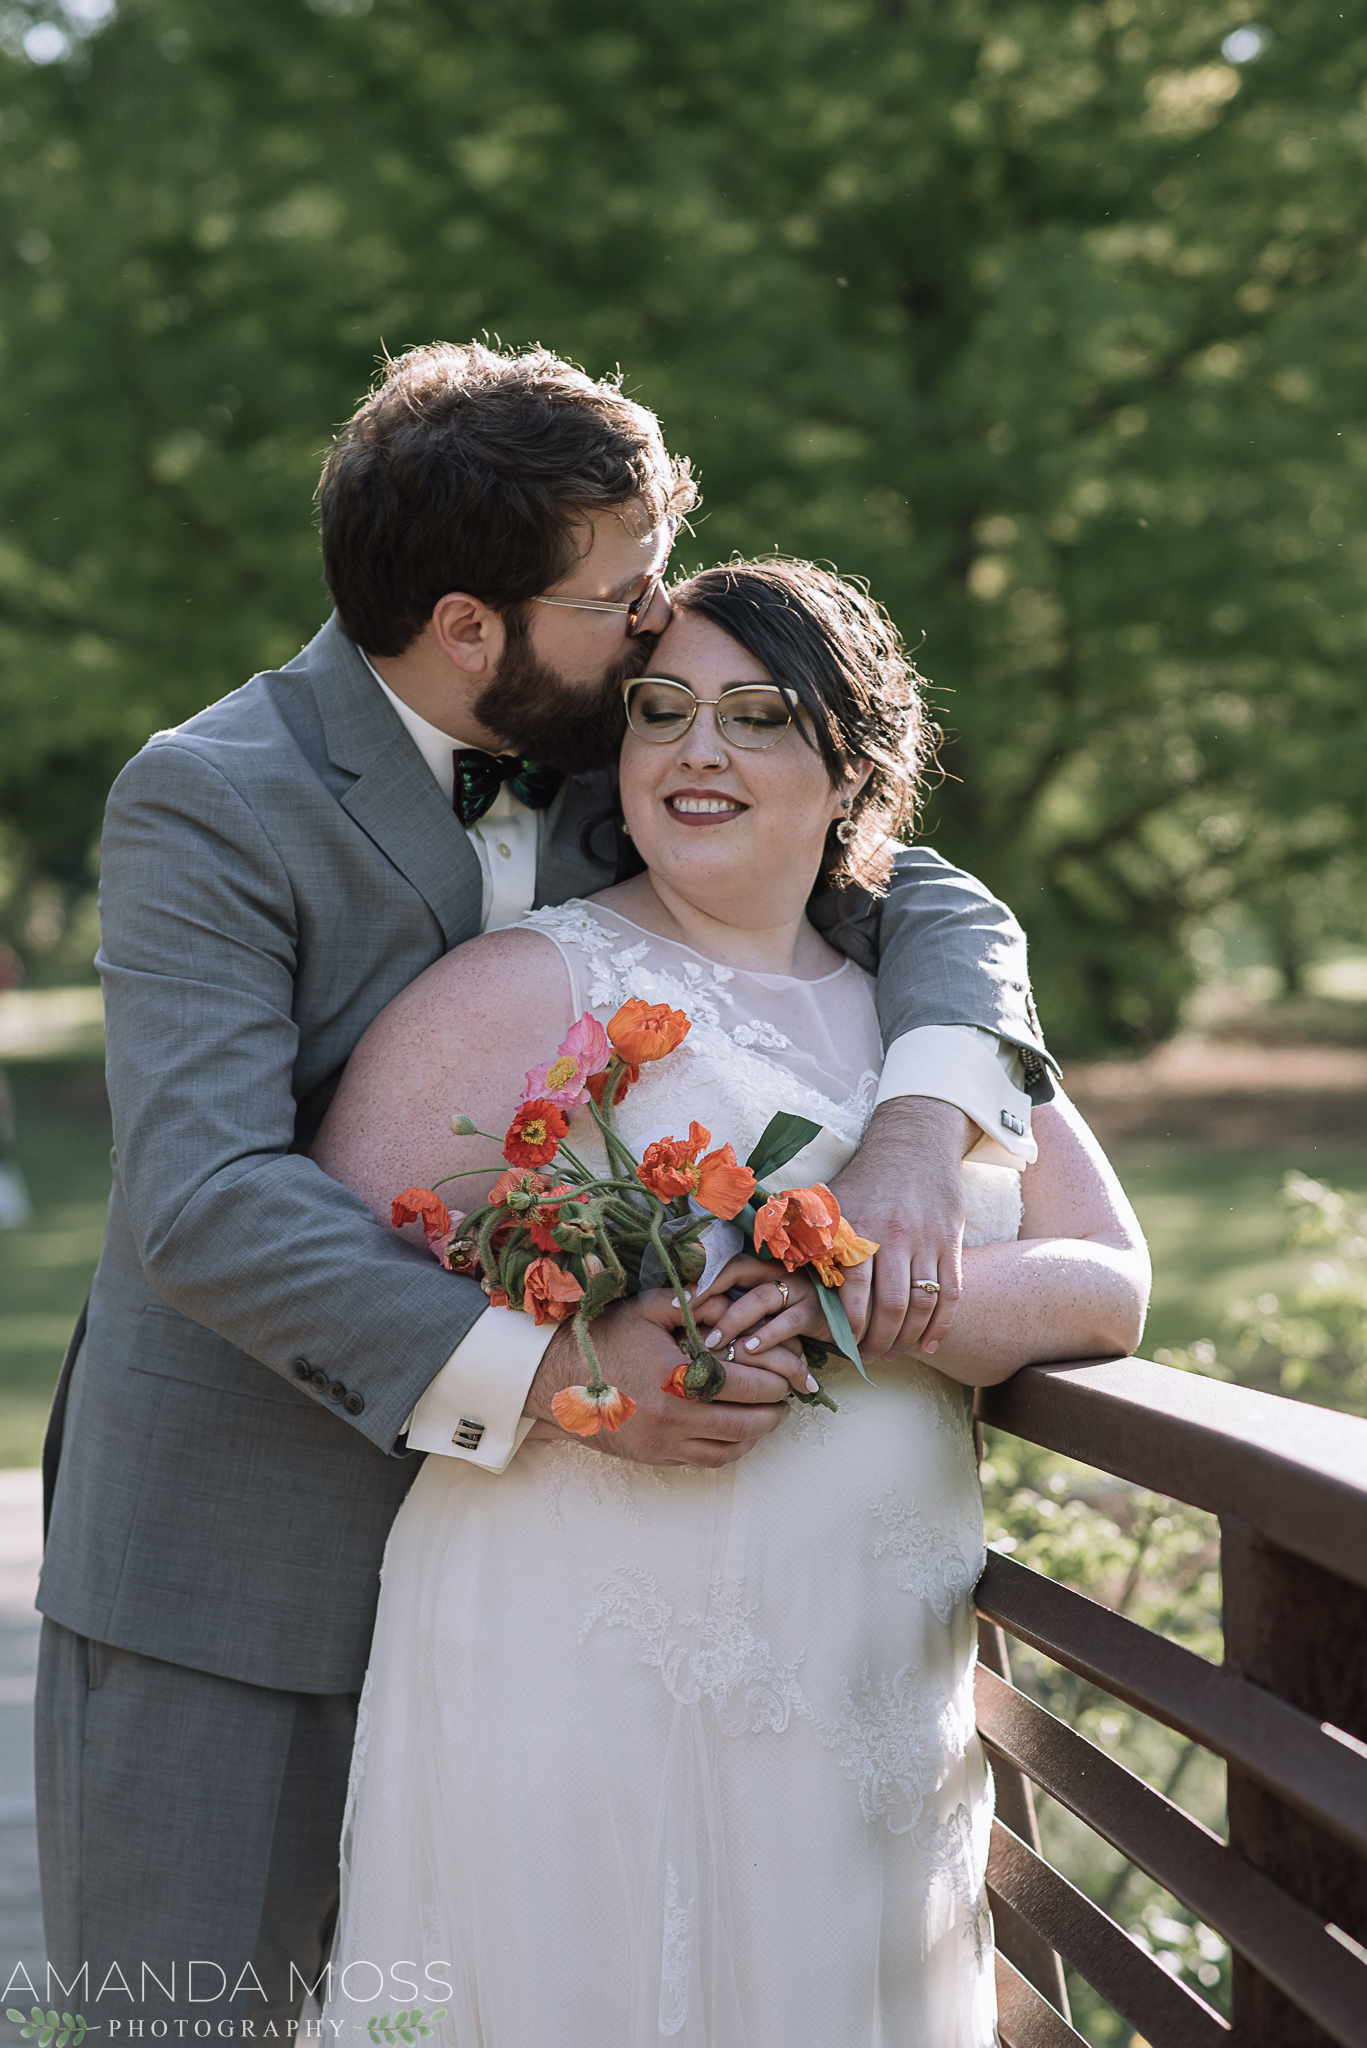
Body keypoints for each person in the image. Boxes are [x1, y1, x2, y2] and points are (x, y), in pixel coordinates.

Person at [35, 343, 1055, 2030]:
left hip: (564, 1618)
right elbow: (207, 1197)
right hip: (238, 1561)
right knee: (189, 2020)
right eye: (623, 595)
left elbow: (933, 894)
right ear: (466, 627)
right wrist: (572, 1377)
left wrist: (908, 1138)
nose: (659, 630)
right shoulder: (210, 798)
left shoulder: (610, 746)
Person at [313, 560, 1150, 2045]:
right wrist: (582, 1359)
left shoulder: (935, 1022)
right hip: (577, 1639)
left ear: (851, 770)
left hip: (867, 1665)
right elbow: (348, 1248)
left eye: (758, 716)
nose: (699, 750)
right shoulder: (529, 984)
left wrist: (852, 1296)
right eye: (663, 711)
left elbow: (1108, 1281)